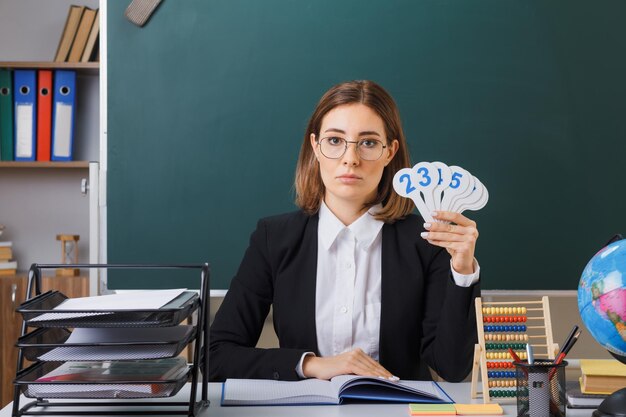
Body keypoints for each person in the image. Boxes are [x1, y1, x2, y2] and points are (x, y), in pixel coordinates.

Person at [209, 80, 480, 383]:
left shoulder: (427, 241)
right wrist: (311, 365)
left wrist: (462, 271)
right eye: (335, 140)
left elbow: (453, 368)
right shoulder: (274, 238)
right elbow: (217, 356)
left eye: (368, 143)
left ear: (390, 152)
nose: (350, 159)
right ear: (316, 147)